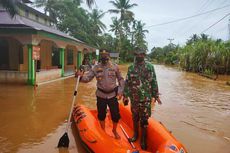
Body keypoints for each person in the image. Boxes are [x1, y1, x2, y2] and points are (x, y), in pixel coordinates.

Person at [76, 49, 125, 139]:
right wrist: (80, 76)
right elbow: (88, 78)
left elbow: (121, 79)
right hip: (101, 95)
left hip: (113, 95)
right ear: (100, 56)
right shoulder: (95, 67)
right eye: (102, 55)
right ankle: (103, 130)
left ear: (108, 56)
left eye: (106, 54)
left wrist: (121, 91)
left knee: (115, 115)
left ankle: (114, 130)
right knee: (101, 115)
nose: (104, 56)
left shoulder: (115, 67)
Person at [123, 47, 162, 150]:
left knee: (144, 120)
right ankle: (135, 135)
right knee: (135, 117)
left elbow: (154, 81)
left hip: (146, 99)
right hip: (134, 98)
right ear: (135, 55)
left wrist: (156, 96)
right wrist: (125, 96)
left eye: (141, 54)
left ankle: (143, 140)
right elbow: (127, 82)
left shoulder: (150, 67)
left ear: (144, 55)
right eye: (137, 54)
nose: (139, 56)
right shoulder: (131, 68)